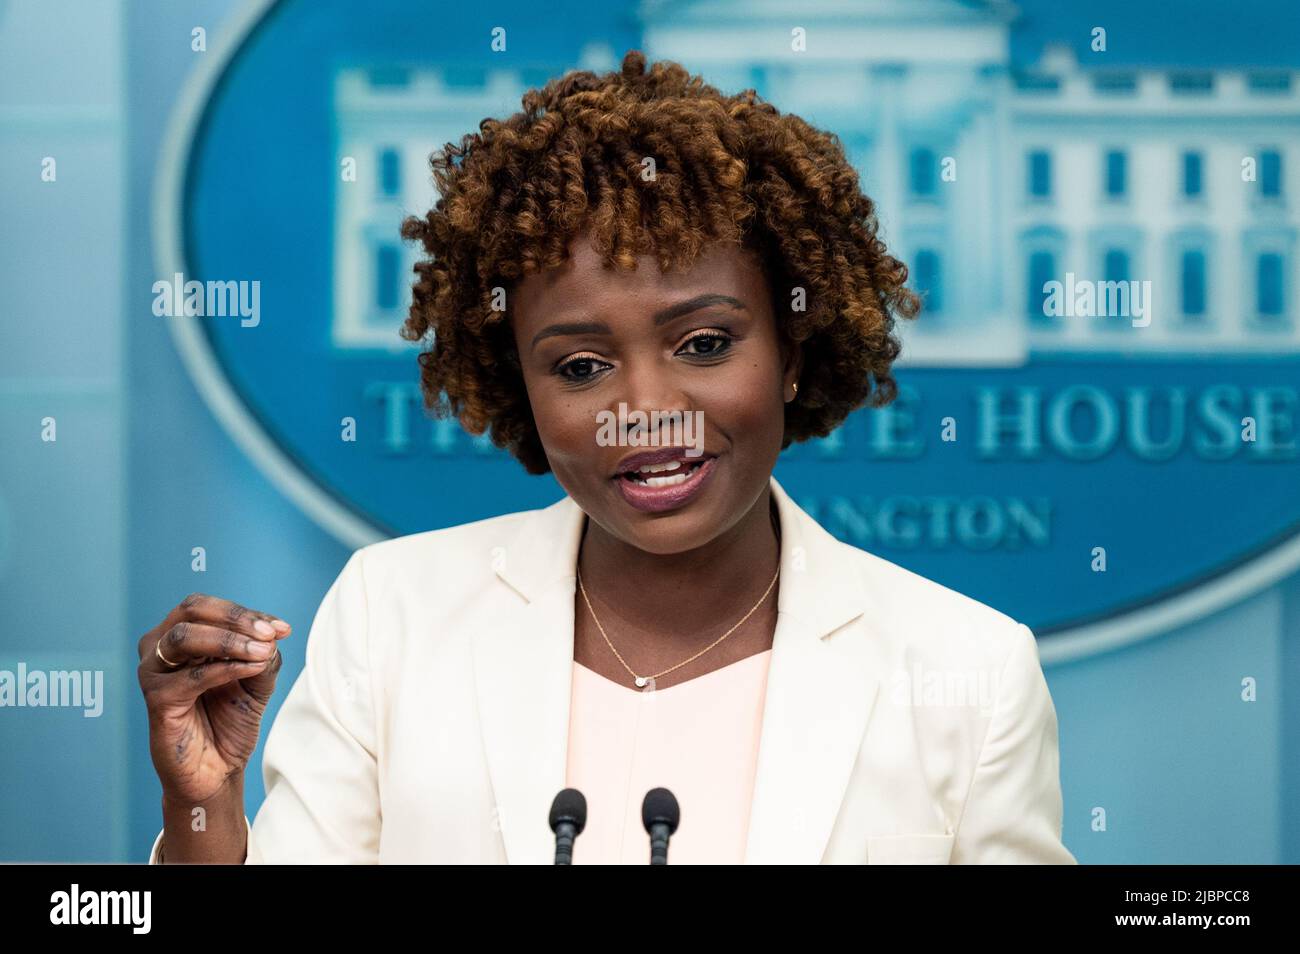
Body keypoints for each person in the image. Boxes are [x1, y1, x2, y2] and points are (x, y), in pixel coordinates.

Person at [138, 50, 1075, 864]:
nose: (646, 413)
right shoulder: (392, 618)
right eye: (581, 366)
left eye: (705, 344)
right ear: (521, 385)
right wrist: (203, 808)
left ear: (793, 352)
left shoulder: (970, 671)